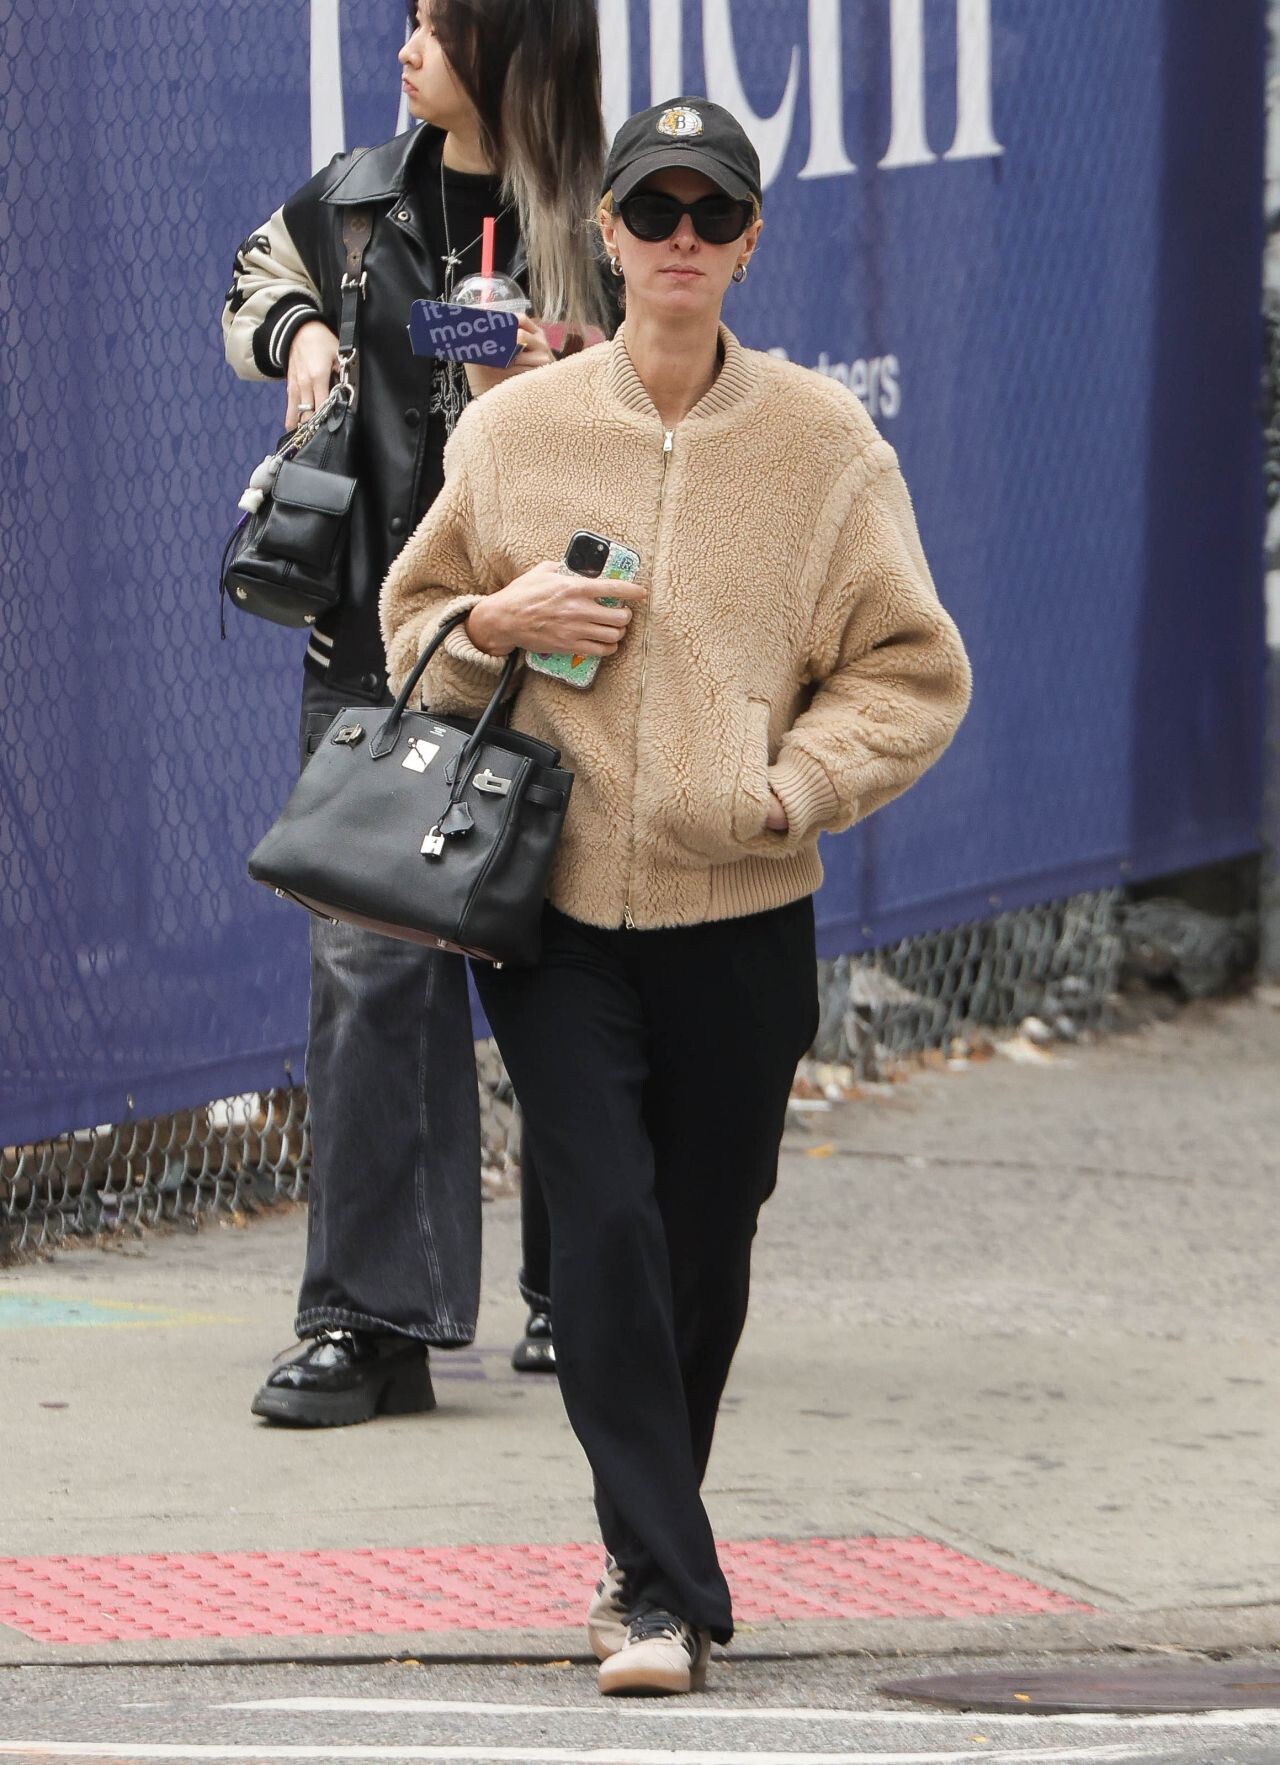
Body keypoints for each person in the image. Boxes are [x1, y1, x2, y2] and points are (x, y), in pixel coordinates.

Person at [381, 97, 973, 1693]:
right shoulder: (514, 433)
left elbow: (912, 671)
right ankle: (658, 1589)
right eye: (656, 213)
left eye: (715, 215)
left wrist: (792, 787)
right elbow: (411, 628)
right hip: (554, 910)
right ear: (612, 235)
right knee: (605, 1228)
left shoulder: (824, 447)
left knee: (704, 1245)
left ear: (751, 241)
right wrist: (498, 620)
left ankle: (644, 1555)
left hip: (744, 913)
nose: (683, 241)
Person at [221, 0, 610, 1425]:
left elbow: (672, 384)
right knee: (370, 970)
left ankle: (587, 1291)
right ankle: (370, 1323)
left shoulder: (607, 212)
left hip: (563, 655)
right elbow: (254, 277)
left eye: (441, 23)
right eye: (409, 17)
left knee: (576, 976)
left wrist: (547, 362)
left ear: (513, 45)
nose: (409, 43)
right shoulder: (359, 197)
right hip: (380, 644)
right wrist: (303, 332)